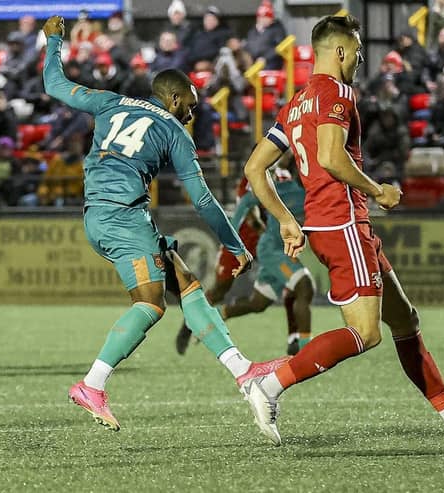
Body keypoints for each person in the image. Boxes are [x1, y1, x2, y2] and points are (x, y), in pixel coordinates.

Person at [42, 16, 287, 431]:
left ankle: (243, 370)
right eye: (190, 104)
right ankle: (91, 384)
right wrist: (234, 246)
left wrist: (53, 42)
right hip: (121, 216)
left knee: (187, 283)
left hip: (106, 213)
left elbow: (54, 85)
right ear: (173, 99)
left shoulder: (108, 101)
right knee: (151, 304)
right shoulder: (175, 131)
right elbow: (205, 200)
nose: (193, 113)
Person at [242, 15, 444, 446]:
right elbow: (333, 157)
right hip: (343, 221)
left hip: (330, 224)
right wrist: (378, 191)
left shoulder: (296, 102)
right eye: (356, 51)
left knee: (405, 319)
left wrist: (286, 220)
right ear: (339, 51)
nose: (359, 58)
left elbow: (254, 168)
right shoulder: (335, 91)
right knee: (366, 333)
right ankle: (269, 384)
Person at [176, 158, 314, 357]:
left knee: (260, 302)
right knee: (221, 288)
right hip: (245, 238)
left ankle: (292, 337)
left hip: (269, 242)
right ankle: (189, 326)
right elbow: (250, 207)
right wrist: (233, 233)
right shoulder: (255, 174)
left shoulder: (289, 178)